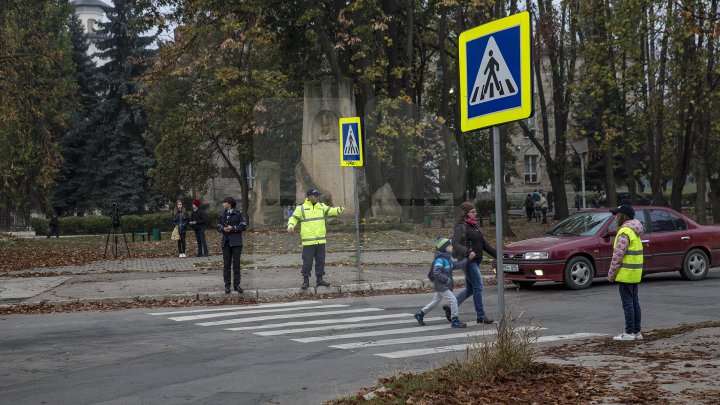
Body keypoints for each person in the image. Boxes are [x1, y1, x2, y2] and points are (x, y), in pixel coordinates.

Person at [442, 201, 496, 325]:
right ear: (467, 213)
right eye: (473, 211)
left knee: (471, 289)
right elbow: (455, 243)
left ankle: (450, 308)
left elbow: (484, 244)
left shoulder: (474, 226)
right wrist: (467, 252)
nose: (475, 213)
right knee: (478, 287)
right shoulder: (461, 226)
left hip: (475, 261)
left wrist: (498, 255)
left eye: (475, 211)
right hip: (467, 261)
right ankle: (481, 315)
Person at [287, 188, 344, 289]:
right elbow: (293, 218)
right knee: (307, 262)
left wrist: (339, 210)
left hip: (320, 240)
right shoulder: (301, 208)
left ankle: (320, 279)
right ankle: (306, 281)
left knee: (320, 261)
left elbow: (331, 211)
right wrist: (290, 225)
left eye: (317, 195)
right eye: (315, 195)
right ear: (309, 197)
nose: (317, 197)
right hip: (308, 241)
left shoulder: (321, 206)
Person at [415, 238, 472, 329]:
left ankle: (420, 313)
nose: (451, 247)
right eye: (449, 246)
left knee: (434, 302)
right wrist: (446, 280)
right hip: (442, 285)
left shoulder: (447, 259)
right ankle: (455, 321)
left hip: (443, 285)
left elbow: (457, 265)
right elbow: (436, 272)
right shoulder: (440, 260)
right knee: (453, 301)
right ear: (443, 248)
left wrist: (467, 259)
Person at [607, 204, 644, 341]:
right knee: (634, 302)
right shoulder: (635, 231)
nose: (615, 217)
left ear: (622, 216)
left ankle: (629, 333)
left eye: (617, 214)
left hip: (626, 273)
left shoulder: (624, 232)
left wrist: (611, 274)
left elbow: (618, 255)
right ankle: (637, 331)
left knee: (627, 303)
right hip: (635, 273)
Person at [217, 196, 247, 294]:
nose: (223, 204)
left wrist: (232, 228)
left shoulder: (239, 213)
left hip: (236, 242)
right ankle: (227, 286)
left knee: (236, 265)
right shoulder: (223, 214)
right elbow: (218, 225)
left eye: (224, 202)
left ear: (229, 203)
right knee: (226, 265)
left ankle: (236, 285)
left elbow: (243, 226)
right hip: (225, 242)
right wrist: (223, 229)